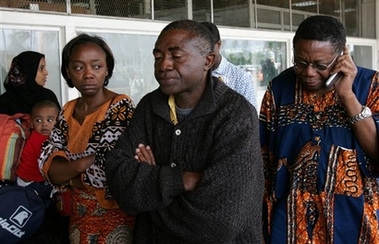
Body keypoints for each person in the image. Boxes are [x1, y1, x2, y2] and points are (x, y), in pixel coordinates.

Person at [105, 19, 264, 243]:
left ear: (208, 61)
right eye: (158, 57)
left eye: (176, 56)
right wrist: (182, 180)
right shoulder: (149, 107)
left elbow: (220, 223)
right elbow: (120, 181)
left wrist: (152, 193)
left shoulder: (235, 114)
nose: (163, 65)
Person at [260, 15, 379, 243]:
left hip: (355, 224)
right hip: (290, 225)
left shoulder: (371, 86)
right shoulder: (279, 89)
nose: (309, 72)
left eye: (320, 65)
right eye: (300, 63)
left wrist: (348, 96)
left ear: (342, 55)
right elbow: (263, 157)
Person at [38, 33, 135, 243]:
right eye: (79, 67)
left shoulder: (120, 106)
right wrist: (83, 163)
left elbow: (108, 170)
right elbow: (46, 162)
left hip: (113, 213)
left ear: (107, 69)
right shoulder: (67, 110)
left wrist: (68, 171)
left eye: (97, 66)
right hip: (77, 212)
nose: (88, 74)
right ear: (68, 72)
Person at [200, 21, 258, 108]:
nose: (202, 54)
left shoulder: (241, 79)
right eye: (197, 49)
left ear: (218, 45)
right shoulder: (190, 75)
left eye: (207, 48)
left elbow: (250, 117)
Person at [16, 100, 59, 207]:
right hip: (33, 182)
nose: (44, 124)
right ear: (31, 123)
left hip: (22, 180)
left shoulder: (34, 134)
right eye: (39, 120)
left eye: (50, 120)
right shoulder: (41, 140)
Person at [0, 51, 60, 115]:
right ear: (28, 70)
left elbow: (60, 123)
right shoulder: (4, 102)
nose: (46, 72)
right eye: (41, 68)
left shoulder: (48, 96)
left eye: (44, 67)